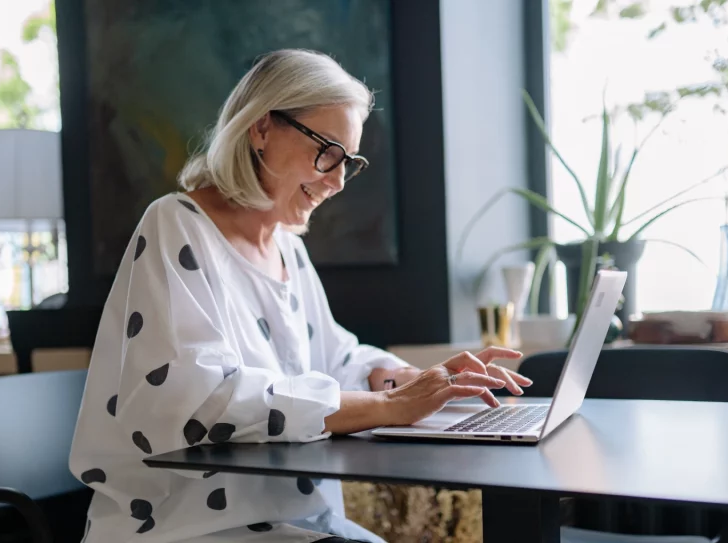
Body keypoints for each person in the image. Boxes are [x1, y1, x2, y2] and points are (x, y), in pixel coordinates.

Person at [68, 49, 532, 543]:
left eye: (349, 161)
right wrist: (386, 406)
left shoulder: (287, 248)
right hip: (190, 527)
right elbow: (197, 397)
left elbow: (331, 359)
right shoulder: (176, 225)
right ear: (261, 128)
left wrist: (405, 380)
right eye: (327, 151)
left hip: (300, 519)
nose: (337, 180)